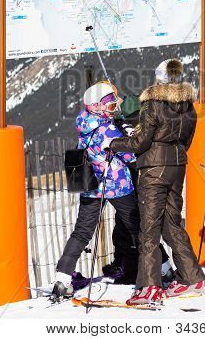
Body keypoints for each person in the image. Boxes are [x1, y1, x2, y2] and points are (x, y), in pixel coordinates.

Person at [104, 59, 205, 305]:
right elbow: (187, 139)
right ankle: (192, 277)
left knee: (149, 229)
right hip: (177, 166)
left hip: (153, 170)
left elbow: (140, 144)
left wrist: (115, 143)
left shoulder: (153, 104)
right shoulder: (188, 106)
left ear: (159, 78)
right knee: (172, 224)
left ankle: (149, 286)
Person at [51, 82, 140, 298]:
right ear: (97, 107)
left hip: (91, 187)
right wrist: (128, 134)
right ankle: (161, 269)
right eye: (109, 106)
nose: (112, 110)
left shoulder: (84, 124)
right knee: (139, 227)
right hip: (117, 185)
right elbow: (130, 156)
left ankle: (62, 279)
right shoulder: (108, 129)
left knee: (82, 232)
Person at [102, 93, 175, 286]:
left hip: (131, 183)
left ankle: (137, 269)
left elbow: (130, 152)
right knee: (137, 227)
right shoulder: (145, 125)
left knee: (132, 228)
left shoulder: (125, 128)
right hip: (147, 180)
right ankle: (163, 268)